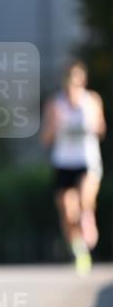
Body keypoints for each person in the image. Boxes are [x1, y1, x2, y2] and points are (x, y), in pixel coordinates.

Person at [41, 60, 106, 274]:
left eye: (76, 77)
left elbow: (101, 130)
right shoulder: (55, 104)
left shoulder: (92, 100)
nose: (72, 82)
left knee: (85, 198)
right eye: (69, 77)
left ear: (83, 80)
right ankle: (79, 250)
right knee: (68, 213)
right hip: (63, 162)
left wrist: (93, 124)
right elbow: (46, 139)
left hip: (87, 160)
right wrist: (55, 126)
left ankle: (88, 218)